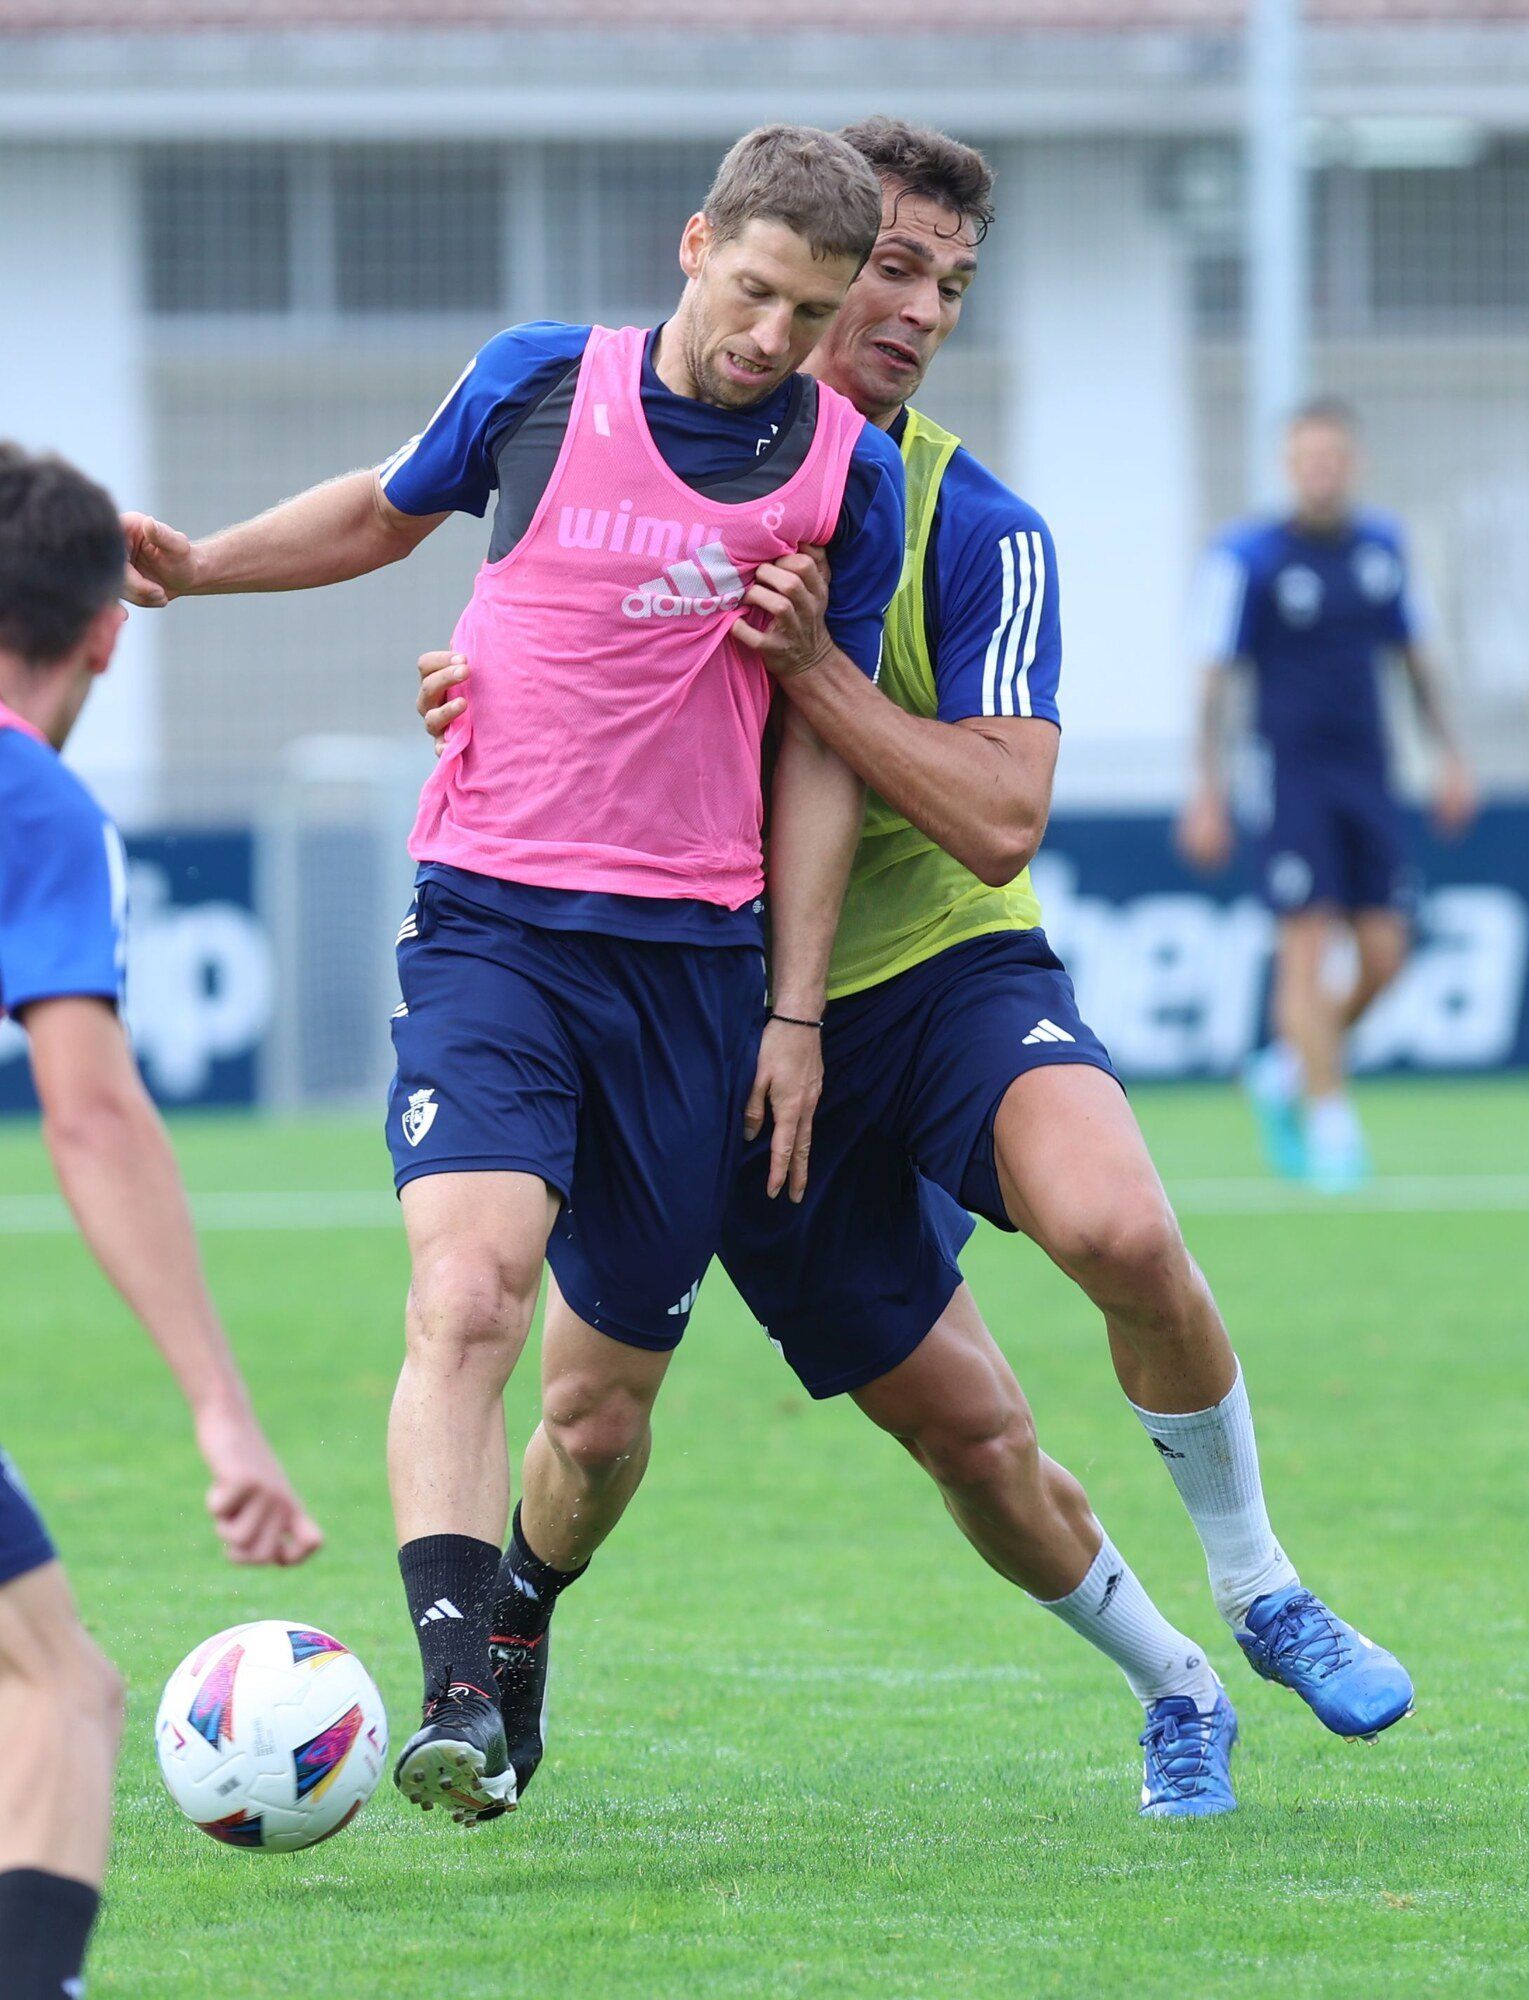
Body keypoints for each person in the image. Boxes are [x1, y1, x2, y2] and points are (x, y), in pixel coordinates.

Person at [418, 119, 1415, 1822]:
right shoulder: (636, 435)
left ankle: (1256, 1588)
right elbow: (547, 642)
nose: (913, 308)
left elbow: (998, 814)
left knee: (1109, 1221)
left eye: (948, 285)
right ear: (790, 269)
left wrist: (817, 673)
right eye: (886, 268)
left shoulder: (971, 522)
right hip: (709, 1013)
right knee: (667, 1429)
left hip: (932, 975)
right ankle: (1161, 1678)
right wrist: (468, 688)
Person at [119, 125, 904, 1824]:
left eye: (813, 310)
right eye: (756, 290)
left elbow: (823, 751)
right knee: (467, 1294)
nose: (774, 335)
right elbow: (383, 514)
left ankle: (523, 1611)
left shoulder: (849, 473)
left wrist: (791, 1012)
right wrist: (197, 567)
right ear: (694, 244)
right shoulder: (538, 381)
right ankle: (454, 1694)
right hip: (490, 921)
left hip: (696, 966)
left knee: (601, 1417)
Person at [0, 444, 321, 2000]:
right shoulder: (33, 802)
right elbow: (93, 1112)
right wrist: (222, 1411)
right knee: (54, 1681)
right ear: (108, 633)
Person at [1178, 399, 1477, 1190]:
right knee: (1305, 950)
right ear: (1288, 466)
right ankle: (1330, 1121)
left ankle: (1284, 1070)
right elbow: (1212, 681)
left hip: (1369, 776)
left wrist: (1450, 757)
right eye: (1308, 458)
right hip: (1289, 777)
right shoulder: (1248, 557)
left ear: (1354, 464)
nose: (1322, 472)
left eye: (1334, 458)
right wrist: (1203, 789)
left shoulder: (1383, 548)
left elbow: (1415, 658)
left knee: (1386, 956)